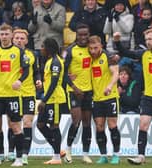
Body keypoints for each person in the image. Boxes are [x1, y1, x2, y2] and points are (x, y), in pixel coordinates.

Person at [113, 28, 152, 165]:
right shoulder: (144, 54)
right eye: (146, 39)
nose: (148, 42)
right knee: (143, 125)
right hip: (149, 97)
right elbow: (126, 53)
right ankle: (141, 156)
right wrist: (117, 42)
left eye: (150, 39)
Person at [0, 23, 29, 166]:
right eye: (1, 34)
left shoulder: (19, 52)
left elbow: (26, 70)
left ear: (11, 35)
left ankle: (19, 158)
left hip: (13, 95)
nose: (4, 37)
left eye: (6, 34)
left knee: (15, 126)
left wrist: (20, 80)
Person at [10, 28, 42, 165]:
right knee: (13, 124)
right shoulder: (7, 53)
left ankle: (24, 154)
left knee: (27, 123)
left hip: (28, 93)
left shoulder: (32, 54)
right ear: (13, 39)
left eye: (22, 38)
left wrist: (38, 80)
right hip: (11, 93)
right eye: (17, 38)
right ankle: (12, 152)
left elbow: (36, 72)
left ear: (27, 41)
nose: (19, 40)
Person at [88, 35, 121, 164]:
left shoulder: (108, 57)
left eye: (95, 48)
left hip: (110, 97)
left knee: (112, 126)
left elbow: (116, 73)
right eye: (91, 48)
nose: (93, 51)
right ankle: (103, 155)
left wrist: (109, 86)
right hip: (96, 99)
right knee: (99, 127)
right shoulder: (89, 59)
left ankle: (116, 154)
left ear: (101, 46)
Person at [63, 23, 93, 164]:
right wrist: (74, 87)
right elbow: (63, 73)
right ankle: (68, 150)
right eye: (80, 34)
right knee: (76, 120)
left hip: (89, 91)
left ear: (88, 34)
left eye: (85, 34)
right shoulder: (70, 51)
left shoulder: (92, 49)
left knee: (87, 123)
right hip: (75, 91)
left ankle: (85, 154)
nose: (83, 37)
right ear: (76, 35)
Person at [36, 37, 66, 165]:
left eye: (43, 46)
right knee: (40, 125)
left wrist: (43, 100)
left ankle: (57, 157)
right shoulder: (49, 61)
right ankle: (58, 150)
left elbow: (54, 82)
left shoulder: (56, 62)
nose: (41, 49)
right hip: (49, 98)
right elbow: (49, 82)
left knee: (54, 126)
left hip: (55, 99)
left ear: (48, 48)